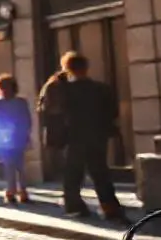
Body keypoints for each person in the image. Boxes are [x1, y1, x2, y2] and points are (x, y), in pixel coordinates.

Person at [37, 51, 125, 221]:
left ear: (67, 68)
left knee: (72, 173)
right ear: (86, 67)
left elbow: (48, 109)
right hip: (98, 136)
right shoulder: (101, 88)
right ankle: (110, 207)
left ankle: (74, 206)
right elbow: (113, 112)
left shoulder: (62, 90)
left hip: (74, 137)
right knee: (100, 172)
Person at [0, 73, 33, 205]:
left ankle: (11, 192)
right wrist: (25, 134)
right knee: (20, 166)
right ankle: (22, 192)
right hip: (18, 136)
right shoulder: (21, 102)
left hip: (4, 138)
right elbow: (27, 120)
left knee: (9, 165)